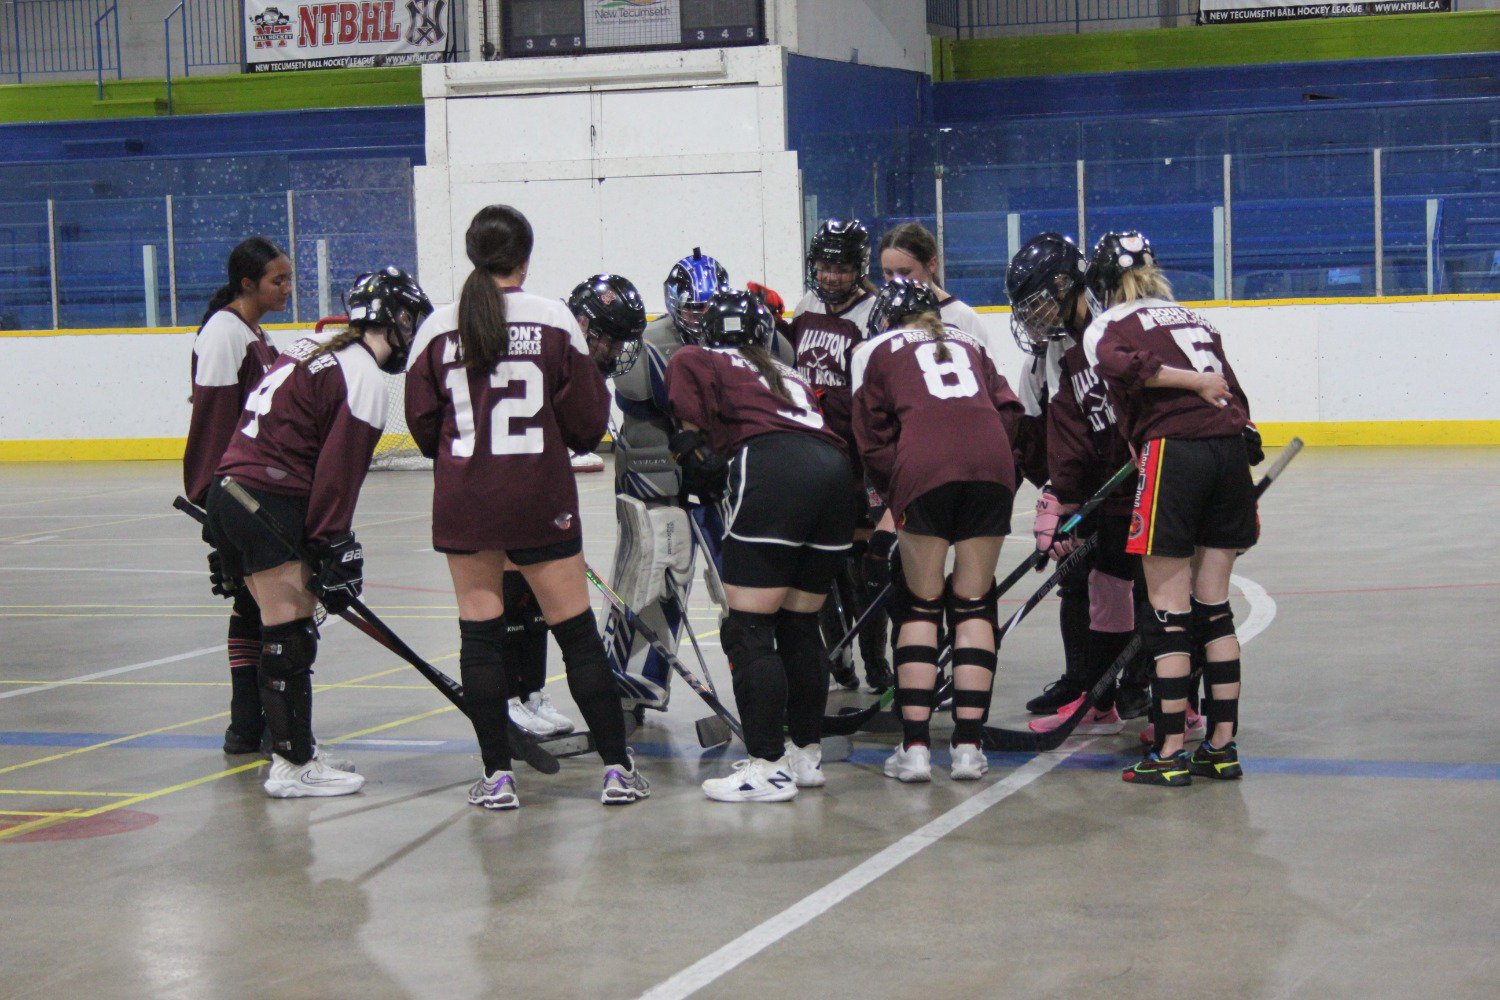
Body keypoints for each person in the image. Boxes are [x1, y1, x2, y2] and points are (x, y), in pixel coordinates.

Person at [404, 205, 648, 810]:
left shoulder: (436, 328)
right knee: (577, 636)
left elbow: (422, 425)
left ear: (472, 253)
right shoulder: (553, 319)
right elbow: (588, 425)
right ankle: (617, 769)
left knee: (480, 639)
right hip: (540, 497)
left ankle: (497, 777)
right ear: (526, 257)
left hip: (465, 502)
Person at [205, 266, 432, 797]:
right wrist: (332, 543)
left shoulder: (312, 347)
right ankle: (292, 765)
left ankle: (297, 746)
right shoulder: (364, 375)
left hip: (230, 492)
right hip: (268, 498)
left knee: (278, 629)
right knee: (290, 634)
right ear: (397, 320)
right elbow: (338, 474)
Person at [1082, 232, 1261, 787]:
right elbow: (1233, 394)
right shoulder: (1194, 318)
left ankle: (1169, 752)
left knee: (1167, 613)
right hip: (1228, 451)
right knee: (1215, 608)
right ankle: (1222, 748)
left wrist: (1190, 383)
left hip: (1173, 454)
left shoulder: (1107, 324)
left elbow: (1130, 368)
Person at [665, 289, 857, 801]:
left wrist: (694, 455)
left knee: (749, 626)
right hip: (836, 474)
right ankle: (804, 756)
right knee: (800, 623)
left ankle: (767, 765)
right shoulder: (787, 372)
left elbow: (688, 432)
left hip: (772, 468)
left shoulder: (696, 356)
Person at [606, 249, 795, 721]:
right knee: (653, 577)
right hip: (661, 478)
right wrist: (677, 463)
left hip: (726, 476)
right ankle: (631, 688)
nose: (700, 317)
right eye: (692, 308)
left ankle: (759, 685)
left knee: (742, 588)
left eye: (708, 308)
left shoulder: (752, 333)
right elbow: (642, 417)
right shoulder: (649, 345)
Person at [851, 279, 1024, 783]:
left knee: (921, 604)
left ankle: (916, 749)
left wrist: (900, 487)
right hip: (992, 465)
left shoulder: (875, 348)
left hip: (924, 467)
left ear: (886, 318)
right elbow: (1010, 413)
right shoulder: (969, 342)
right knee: (974, 603)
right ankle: (968, 748)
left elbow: (870, 436)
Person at [1004, 233, 1140, 739]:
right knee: (1092, 584)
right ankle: (1091, 687)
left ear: (1067, 286)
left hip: (1145, 483)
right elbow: (1059, 432)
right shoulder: (1055, 352)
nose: (1032, 318)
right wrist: (1061, 495)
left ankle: (1147, 688)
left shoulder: (1117, 329)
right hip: (1101, 490)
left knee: (1152, 590)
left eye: (1038, 303)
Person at [502, 273, 648, 739]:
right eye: (611, 339)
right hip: (506, 486)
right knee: (510, 595)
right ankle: (507, 697)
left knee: (535, 603)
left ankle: (530, 693)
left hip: (539, 489)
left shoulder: (563, 349)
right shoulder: (555, 348)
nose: (616, 350)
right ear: (586, 324)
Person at [184, 236, 291, 756]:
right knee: (260, 607)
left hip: (251, 491)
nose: (287, 288)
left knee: (253, 606)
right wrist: (213, 499)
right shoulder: (225, 334)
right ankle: (252, 724)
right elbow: (213, 423)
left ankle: (250, 724)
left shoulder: (254, 334)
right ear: (247, 283)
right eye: (277, 280)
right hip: (236, 493)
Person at [783, 219, 892, 695]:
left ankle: (875, 659)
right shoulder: (805, 308)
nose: (830, 276)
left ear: (858, 268)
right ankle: (837, 654)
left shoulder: (873, 313)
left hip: (856, 460)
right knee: (820, 563)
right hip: (812, 456)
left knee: (864, 566)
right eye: (824, 266)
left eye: (841, 267)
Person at [877, 222, 1000, 359]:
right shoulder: (880, 317)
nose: (896, 280)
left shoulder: (962, 318)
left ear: (932, 264)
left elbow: (988, 370)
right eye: (888, 272)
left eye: (905, 272)